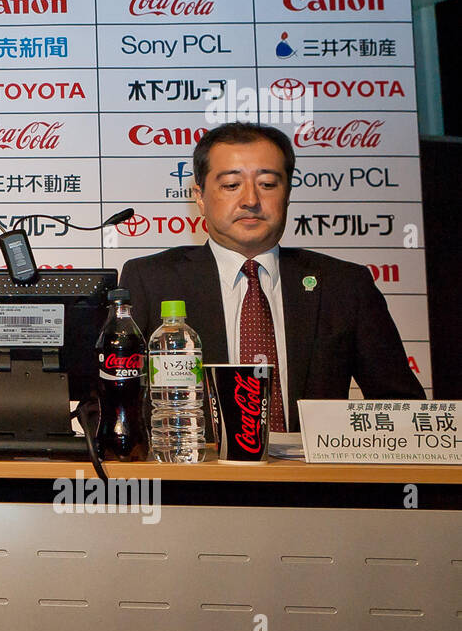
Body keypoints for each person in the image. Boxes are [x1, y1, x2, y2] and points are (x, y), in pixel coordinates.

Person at [120, 122, 423, 431]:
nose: (250, 200)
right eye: (231, 185)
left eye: (267, 184)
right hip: (192, 472)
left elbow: (402, 407)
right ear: (199, 196)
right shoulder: (150, 280)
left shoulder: (344, 285)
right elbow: (109, 402)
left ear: (287, 194)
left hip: (312, 477)